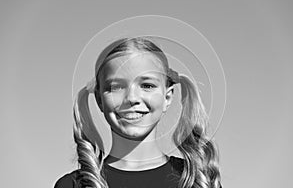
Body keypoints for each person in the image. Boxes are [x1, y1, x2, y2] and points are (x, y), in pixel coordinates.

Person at [54, 37, 222, 188]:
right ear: (99, 100)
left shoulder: (198, 180)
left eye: (147, 85)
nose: (132, 98)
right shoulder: (73, 185)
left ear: (168, 97)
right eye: (116, 87)